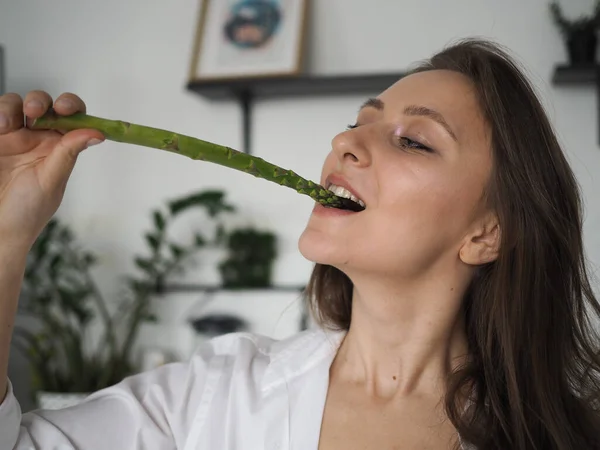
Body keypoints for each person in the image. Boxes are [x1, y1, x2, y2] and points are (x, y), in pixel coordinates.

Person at [0, 37, 599, 450]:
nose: (345, 139)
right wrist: (6, 233)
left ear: (488, 232)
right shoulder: (216, 390)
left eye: (414, 141)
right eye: (359, 119)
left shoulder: (565, 435)